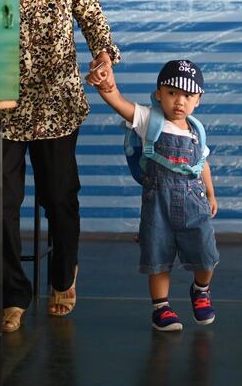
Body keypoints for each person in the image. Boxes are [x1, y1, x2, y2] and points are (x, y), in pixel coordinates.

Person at [0, 0, 120, 334]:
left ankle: (64, 275)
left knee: (59, 198)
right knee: (1, 204)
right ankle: (14, 294)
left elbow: (92, 18)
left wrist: (104, 57)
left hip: (57, 100)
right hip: (0, 104)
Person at [89, 60, 219, 332]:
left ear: (198, 100)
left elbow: (202, 163)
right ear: (159, 93)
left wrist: (210, 192)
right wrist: (106, 87)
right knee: (158, 257)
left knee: (207, 255)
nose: (179, 101)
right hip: (157, 204)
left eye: (187, 95)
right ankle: (161, 307)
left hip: (195, 203)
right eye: (172, 93)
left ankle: (200, 289)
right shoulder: (150, 119)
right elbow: (119, 103)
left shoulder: (196, 130)